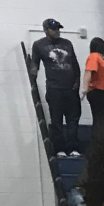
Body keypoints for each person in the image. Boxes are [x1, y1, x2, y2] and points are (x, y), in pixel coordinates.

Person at [30, 19, 82, 155]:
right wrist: (33, 74)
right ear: (46, 30)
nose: (57, 31)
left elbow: (75, 65)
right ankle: (59, 148)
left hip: (70, 88)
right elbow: (35, 63)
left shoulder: (67, 43)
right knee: (56, 119)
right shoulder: (39, 45)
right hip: (54, 88)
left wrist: (77, 82)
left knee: (73, 119)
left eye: (58, 29)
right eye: (53, 29)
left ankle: (73, 148)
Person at [84, 37, 104, 132]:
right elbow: (89, 71)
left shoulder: (100, 59)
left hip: (103, 93)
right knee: (101, 122)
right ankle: (99, 142)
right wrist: (84, 88)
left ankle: (100, 141)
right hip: (98, 91)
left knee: (103, 121)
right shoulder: (94, 56)